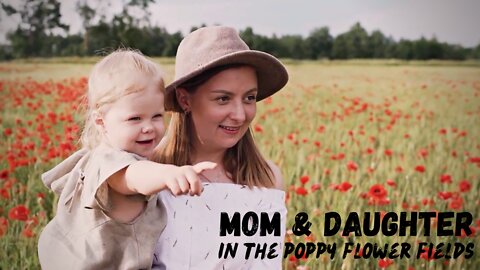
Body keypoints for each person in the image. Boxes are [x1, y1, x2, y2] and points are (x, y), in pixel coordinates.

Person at [38, 49, 215, 269]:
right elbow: (133, 175)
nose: (149, 127)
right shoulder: (107, 161)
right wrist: (171, 173)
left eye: (157, 116)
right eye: (135, 118)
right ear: (101, 122)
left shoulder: (135, 152)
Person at [152, 26, 289, 269]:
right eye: (223, 98)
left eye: (249, 98)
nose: (239, 115)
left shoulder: (267, 179)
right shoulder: (148, 174)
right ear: (185, 100)